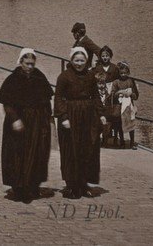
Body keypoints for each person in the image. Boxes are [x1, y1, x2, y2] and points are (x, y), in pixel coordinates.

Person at [0, 48, 52, 203]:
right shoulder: (12, 79)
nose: (30, 67)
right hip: (17, 123)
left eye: (32, 64)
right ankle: (19, 187)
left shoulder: (39, 77)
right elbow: (7, 104)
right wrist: (15, 119)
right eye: (27, 63)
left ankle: (33, 185)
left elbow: (46, 101)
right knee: (17, 155)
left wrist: (48, 120)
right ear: (20, 62)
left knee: (37, 154)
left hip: (37, 122)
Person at [55, 47, 106, 199]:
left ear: (86, 61)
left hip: (88, 117)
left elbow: (96, 96)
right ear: (71, 60)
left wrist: (101, 114)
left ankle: (84, 184)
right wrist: (63, 117)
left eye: (82, 60)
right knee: (71, 150)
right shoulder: (64, 77)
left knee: (88, 149)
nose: (79, 63)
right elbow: (58, 98)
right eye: (76, 60)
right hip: (71, 116)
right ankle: (72, 185)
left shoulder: (90, 76)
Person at [109, 62, 139, 149]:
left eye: (125, 73)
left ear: (128, 73)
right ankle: (121, 140)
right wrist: (119, 92)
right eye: (121, 73)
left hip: (129, 105)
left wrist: (130, 94)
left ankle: (132, 141)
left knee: (131, 121)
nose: (123, 75)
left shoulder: (130, 81)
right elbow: (112, 95)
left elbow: (136, 96)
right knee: (119, 122)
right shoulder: (116, 82)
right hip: (119, 105)